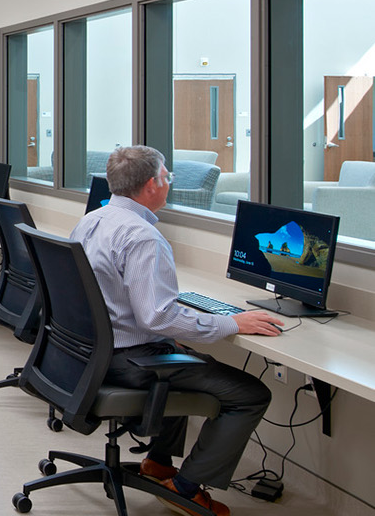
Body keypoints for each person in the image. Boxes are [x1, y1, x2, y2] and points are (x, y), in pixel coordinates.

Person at [71, 145, 282, 516]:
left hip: (90, 351)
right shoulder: (144, 238)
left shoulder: (92, 219)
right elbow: (158, 318)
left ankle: (158, 462)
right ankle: (184, 488)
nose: (168, 182)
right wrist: (232, 322)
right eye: (167, 176)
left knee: (184, 354)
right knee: (249, 392)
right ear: (153, 184)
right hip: (128, 359)